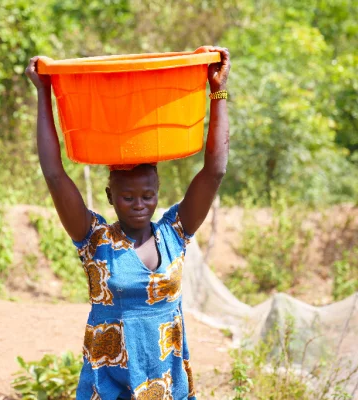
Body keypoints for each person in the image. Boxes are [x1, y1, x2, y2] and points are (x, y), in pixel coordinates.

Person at [25, 46, 230, 400]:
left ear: (158, 192)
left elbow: (214, 171)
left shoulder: (174, 233)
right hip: (110, 383)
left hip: (165, 381)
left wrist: (218, 92)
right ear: (109, 197)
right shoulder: (95, 239)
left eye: (148, 196)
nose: (139, 205)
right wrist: (43, 92)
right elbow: (55, 175)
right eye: (127, 197)